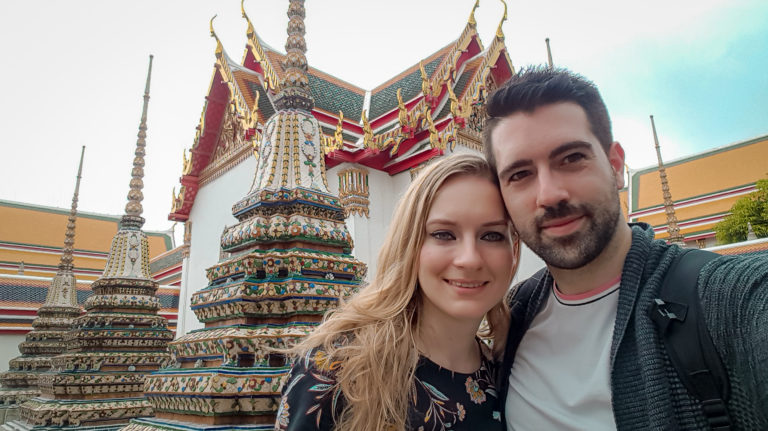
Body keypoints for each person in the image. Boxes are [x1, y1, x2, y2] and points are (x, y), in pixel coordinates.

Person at [483, 66, 768, 430]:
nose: (550, 194)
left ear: (616, 166)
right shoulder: (514, 315)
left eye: (571, 158)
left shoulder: (724, 300)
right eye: (520, 174)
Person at [276, 154, 520, 430]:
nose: (469, 259)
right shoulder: (336, 370)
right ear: (410, 244)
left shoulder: (506, 375)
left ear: (513, 252)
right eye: (443, 234)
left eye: (492, 236)